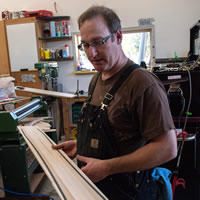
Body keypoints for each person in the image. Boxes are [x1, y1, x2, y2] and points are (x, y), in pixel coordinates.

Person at [52, 5, 177, 200]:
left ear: (118, 37)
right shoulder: (97, 78)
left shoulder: (142, 83)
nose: (91, 53)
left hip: (130, 192)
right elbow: (119, 134)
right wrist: (81, 145)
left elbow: (167, 148)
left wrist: (108, 167)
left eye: (98, 42)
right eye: (85, 45)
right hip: (97, 190)